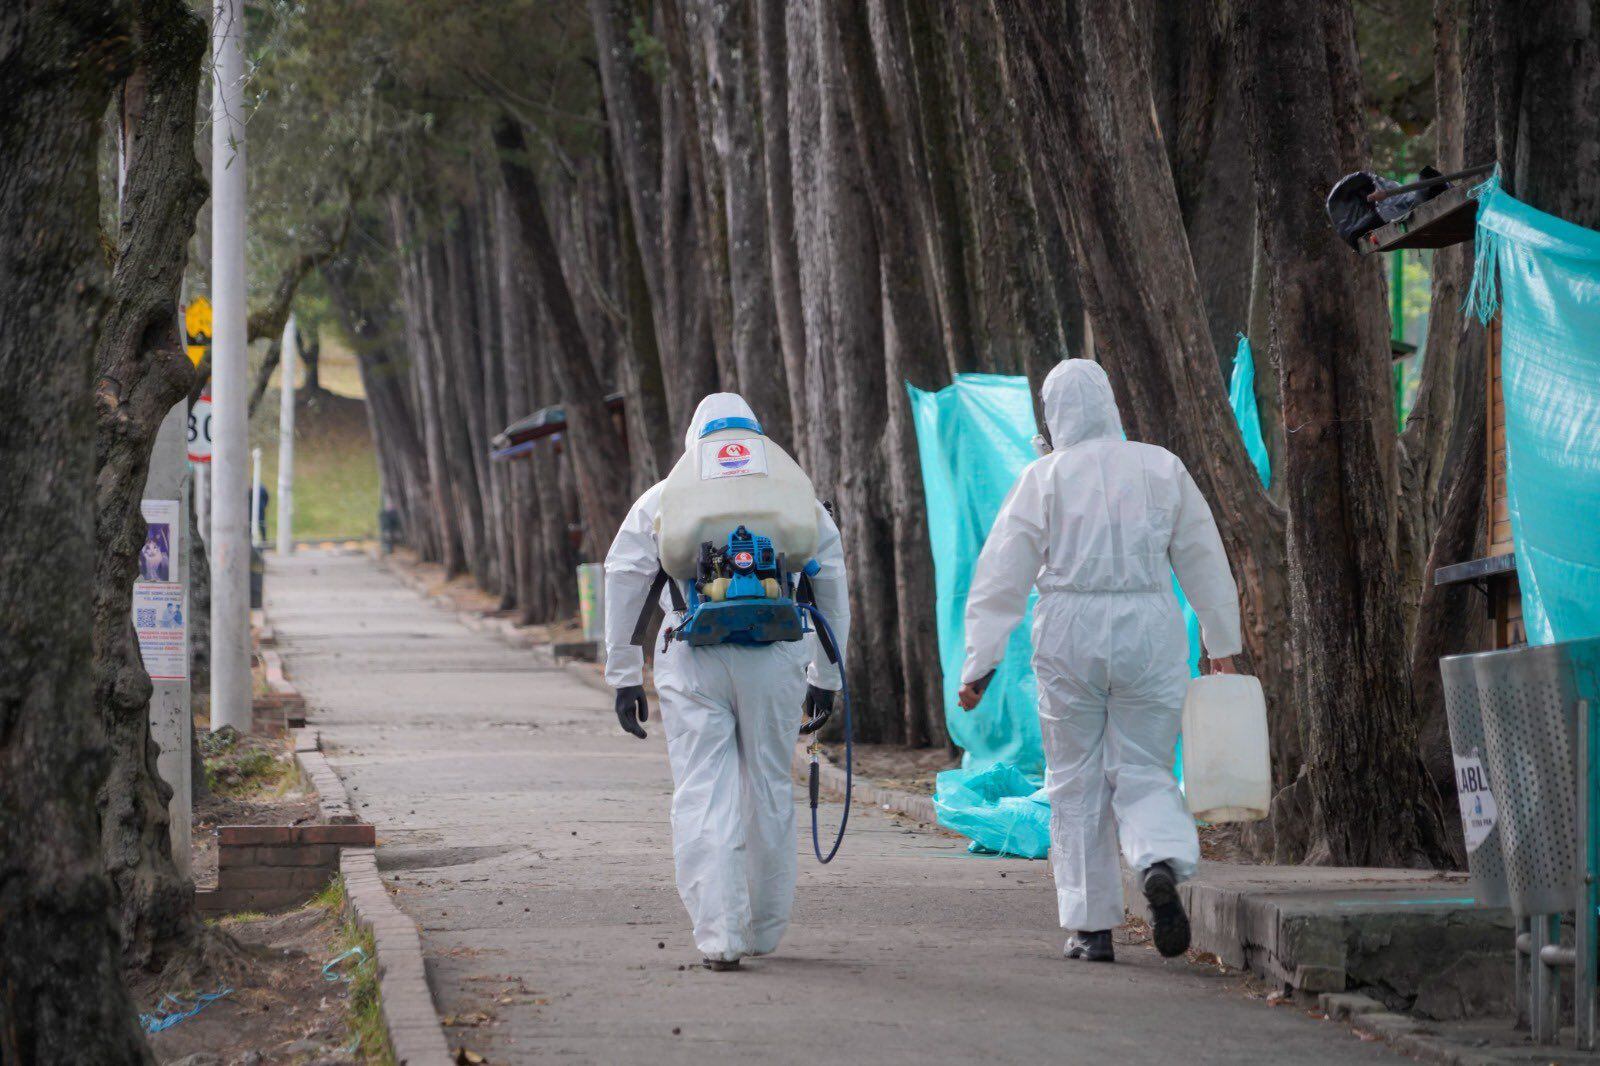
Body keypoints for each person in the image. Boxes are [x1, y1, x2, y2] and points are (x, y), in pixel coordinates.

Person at [957, 359, 1240, 964]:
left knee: (1075, 778)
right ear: (1111, 404)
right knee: (1145, 767)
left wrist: (979, 663)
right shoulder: (1162, 467)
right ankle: (1157, 858)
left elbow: (1001, 573)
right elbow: (1203, 558)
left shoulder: (1045, 476)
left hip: (1069, 631)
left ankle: (1091, 928)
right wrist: (1222, 645)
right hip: (1150, 629)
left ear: (1054, 415)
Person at [603, 393, 851, 972]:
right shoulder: (793, 495)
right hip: (777, 653)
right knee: (767, 782)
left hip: (693, 653)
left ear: (696, 440)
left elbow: (624, 574)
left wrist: (623, 674)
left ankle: (721, 937)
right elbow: (831, 579)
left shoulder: (667, 495)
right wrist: (828, 672)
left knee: (703, 788)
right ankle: (764, 929)